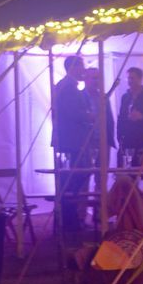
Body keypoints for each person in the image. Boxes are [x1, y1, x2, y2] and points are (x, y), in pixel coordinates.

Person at [52, 55, 90, 228]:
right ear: (73, 68)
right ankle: (68, 221)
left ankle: (67, 219)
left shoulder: (65, 85)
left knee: (70, 179)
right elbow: (73, 114)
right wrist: (91, 115)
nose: (84, 70)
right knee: (73, 179)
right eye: (82, 66)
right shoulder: (69, 88)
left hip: (67, 140)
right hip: (71, 140)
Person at [115, 66, 143, 168]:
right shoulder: (125, 97)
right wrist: (119, 137)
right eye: (128, 78)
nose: (130, 81)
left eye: (132, 78)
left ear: (140, 79)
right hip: (127, 142)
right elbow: (120, 118)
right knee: (128, 174)